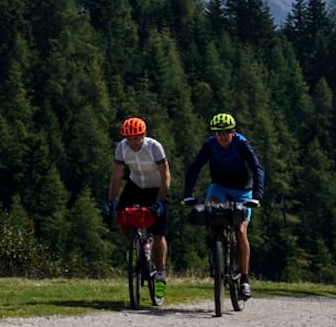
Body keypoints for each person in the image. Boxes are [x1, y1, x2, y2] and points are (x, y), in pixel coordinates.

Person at [181, 112, 266, 298]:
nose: (222, 136)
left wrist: (257, 197)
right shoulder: (210, 144)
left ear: (233, 132)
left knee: (241, 231)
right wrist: (187, 194)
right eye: (218, 133)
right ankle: (217, 251)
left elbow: (257, 169)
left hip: (243, 189)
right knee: (211, 214)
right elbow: (195, 167)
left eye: (226, 132)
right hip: (219, 187)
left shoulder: (242, 144)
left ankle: (244, 279)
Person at [106, 115, 171, 284]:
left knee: (158, 233)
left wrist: (160, 201)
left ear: (143, 135)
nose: (133, 143)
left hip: (156, 187)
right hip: (135, 185)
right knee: (121, 216)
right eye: (129, 139)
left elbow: (165, 175)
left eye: (136, 138)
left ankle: (160, 273)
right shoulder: (122, 148)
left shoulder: (154, 147)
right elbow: (116, 176)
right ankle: (134, 246)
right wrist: (111, 200)